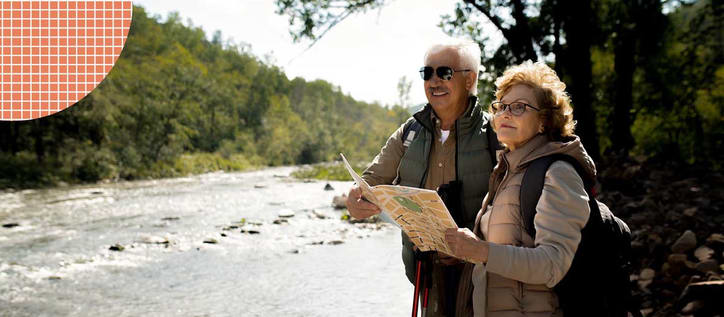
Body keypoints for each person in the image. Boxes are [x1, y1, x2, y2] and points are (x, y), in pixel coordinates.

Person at [346, 40, 498, 317]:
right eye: (427, 73)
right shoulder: (409, 131)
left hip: (483, 280)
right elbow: (370, 180)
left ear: (470, 79)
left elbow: (514, 208)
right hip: (425, 275)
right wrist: (355, 198)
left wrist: (473, 244)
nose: (434, 81)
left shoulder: (496, 134)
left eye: (445, 73)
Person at [444, 60, 595, 317]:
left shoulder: (558, 173)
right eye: (501, 106)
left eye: (519, 107)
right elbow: (500, 249)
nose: (505, 114)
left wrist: (481, 251)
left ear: (545, 121)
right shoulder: (506, 170)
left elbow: (552, 264)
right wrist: (462, 251)